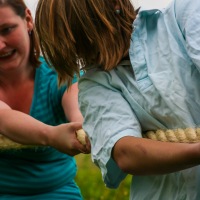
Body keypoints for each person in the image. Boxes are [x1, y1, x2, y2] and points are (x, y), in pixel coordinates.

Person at [35, 0, 200, 199]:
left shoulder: (183, 15)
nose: (83, 51)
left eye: (84, 34)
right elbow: (126, 153)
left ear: (113, 5)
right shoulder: (95, 84)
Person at [0, 0, 90, 199]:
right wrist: (52, 135)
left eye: (7, 29)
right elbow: (3, 116)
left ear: (28, 20)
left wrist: (84, 128)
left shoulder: (58, 74)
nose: (0, 45)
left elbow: (77, 109)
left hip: (58, 192)